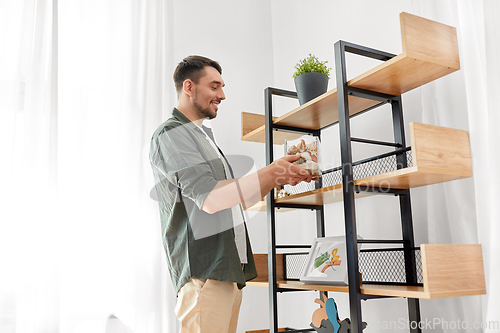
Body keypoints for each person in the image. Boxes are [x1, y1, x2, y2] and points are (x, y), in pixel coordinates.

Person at [149, 55, 314, 333]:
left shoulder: (203, 138)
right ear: (189, 87)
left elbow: (237, 200)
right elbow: (211, 199)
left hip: (226, 272)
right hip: (205, 275)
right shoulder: (172, 134)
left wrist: (277, 177)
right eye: (214, 87)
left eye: (222, 87)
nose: (222, 95)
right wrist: (269, 173)